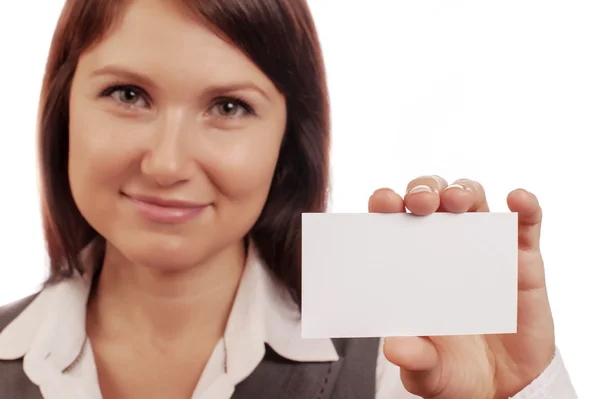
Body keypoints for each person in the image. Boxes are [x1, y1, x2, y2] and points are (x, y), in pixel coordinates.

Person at [0, 0, 578, 398]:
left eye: (228, 107)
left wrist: (515, 392)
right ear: (63, 108)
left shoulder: (399, 365)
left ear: (287, 141)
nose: (168, 163)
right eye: (127, 94)